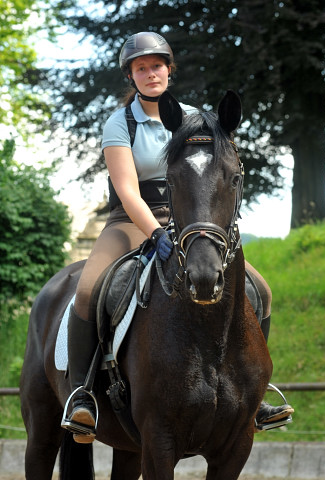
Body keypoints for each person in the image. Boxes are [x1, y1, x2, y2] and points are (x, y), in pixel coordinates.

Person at [62, 31, 293, 443]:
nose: (151, 73)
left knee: (262, 290)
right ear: (131, 76)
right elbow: (128, 189)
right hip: (130, 222)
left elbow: (216, 170)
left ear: (169, 70)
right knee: (88, 290)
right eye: (141, 68)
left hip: (191, 221)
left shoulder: (194, 118)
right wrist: (153, 232)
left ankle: (254, 395)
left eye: (157, 66)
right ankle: (82, 394)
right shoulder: (121, 122)